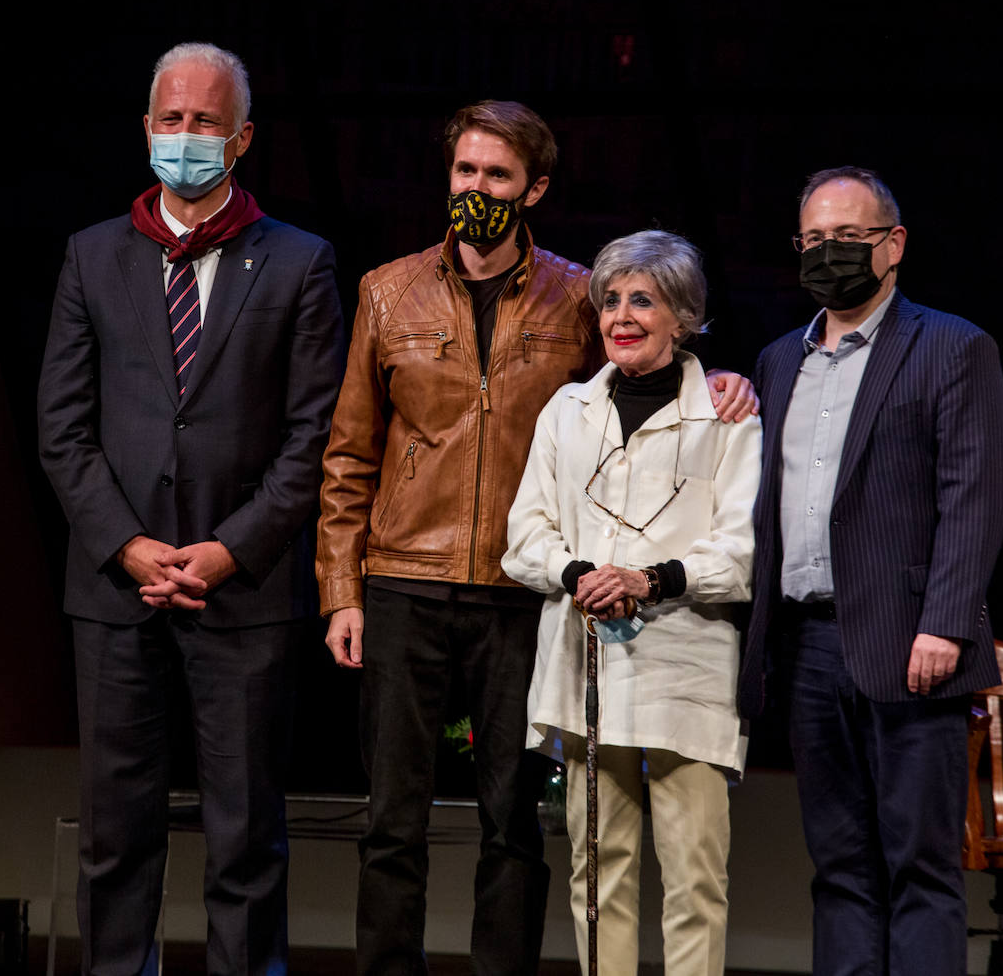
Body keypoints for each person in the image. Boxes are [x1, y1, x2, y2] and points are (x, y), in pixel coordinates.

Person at [316, 101, 757, 974]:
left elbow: (644, 368)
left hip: (523, 598)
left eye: (498, 177)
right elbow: (348, 453)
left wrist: (728, 380)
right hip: (404, 578)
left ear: (535, 189)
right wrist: (341, 590)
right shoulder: (387, 289)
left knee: (513, 819)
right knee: (391, 818)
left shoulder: (574, 295)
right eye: (465, 172)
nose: (476, 190)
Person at [38, 41, 344, 976]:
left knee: (246, 838)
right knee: (116, 835)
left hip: (240, 594)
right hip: (115, 589)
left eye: (205, 122)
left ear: (240, 137)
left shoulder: (298, 263)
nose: (185, 136)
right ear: (145, 128)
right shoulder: (92, 257)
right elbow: (63, 428)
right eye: (170, 119)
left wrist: (227, 550)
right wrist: (129, 545)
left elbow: (314, 439)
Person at [738, 166, 1003, 975]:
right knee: (841, 868)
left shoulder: (952, 346)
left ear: (892, 245)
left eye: (847, 238)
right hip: (808, 644)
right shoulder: (778, 360)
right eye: (814, 240)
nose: (830, 254)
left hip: (911, 641)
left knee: (921, 867)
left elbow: (975, 491)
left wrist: (946, 621)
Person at [502, 230, 760, 975]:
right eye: (610, 299)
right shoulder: (566, 410)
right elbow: (525, 536)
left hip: (686, 668)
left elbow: (738, 551)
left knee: (695, 878)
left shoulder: (729, 419)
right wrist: (580, 571)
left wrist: (649, 579)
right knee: (598, 872)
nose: (621, 314)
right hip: (586, 666)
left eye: (641, 299)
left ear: (682, 315)